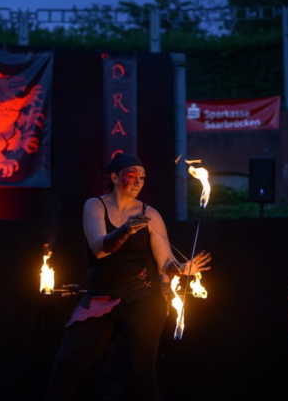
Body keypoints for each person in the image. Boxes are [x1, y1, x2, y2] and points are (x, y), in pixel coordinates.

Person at [43, 153, 212, 401]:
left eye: (142, 177)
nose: (138, 182)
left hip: (142, 297)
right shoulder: (95, 205)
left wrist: (183, 268)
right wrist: (125, 230)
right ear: (114, 177)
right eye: (132, 175)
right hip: (101, 297)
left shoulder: (150, 214)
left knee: (141, 374)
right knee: (64, 368)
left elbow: (165, 262)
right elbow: (100, 249)